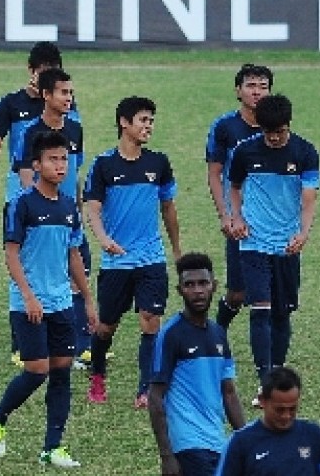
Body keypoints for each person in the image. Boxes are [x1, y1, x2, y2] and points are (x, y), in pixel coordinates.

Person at [0, 131, 97, 468]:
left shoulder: (67, 206)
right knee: (36, 371)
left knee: (62, 373)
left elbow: (74, 254)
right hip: (28, 304)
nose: (60, 165)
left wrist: (88, 301)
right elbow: (12, 254)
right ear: (36, 165)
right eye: (53, 159)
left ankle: (52, 447)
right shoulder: (21, 203)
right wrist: (29, 296)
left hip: (62, 303)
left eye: (64, 159)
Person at [83, 96, 181, 408]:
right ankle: (98, 376)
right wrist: (102, 238)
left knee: (151, 319)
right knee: (105, 326)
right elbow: (92, 209)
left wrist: (177, 250)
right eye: (143, 120)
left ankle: (145, 389)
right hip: (116, 261)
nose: (148, 126)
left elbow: (168, 208)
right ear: (125, 123)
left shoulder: (159, 163)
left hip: (151, 258)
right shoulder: (104, 165)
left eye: (151, 121)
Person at [0, 41, 64, 367]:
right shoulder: (12, 104)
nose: (47, 81)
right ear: (31, 71)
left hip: (57, 197)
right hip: (19, 198)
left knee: (58, 260)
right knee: (20, 261)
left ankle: (59, 334)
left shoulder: (65, 104)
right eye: (42, 73)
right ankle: (20, 340)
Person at [228, 94, 318, 388]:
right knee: (260, 310)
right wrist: (237, 218)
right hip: (253, 243)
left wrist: (303, 233)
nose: (276, 138)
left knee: (281, 313)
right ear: (261, 129)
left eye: (280, 131)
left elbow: (308, 199)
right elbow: (235, 186)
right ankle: (264, 378)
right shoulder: (245, 152)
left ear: (288, 125)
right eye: (269, 133)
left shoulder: (305, 152)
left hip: (287, 245)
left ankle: (276, 370)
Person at [15, 68, 94, 368]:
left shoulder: (75, 128)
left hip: (69, 215)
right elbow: (24, 171)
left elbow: (75, 172)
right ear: (46, 95)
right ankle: (34, 345)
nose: (68, 98)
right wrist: (37, 205)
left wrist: (76, 208)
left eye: (71, 93)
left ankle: (74, 348)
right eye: (63, 92)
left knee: (78, 276)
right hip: (42, 215)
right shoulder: (30, 132)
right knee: (45, 276)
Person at [148, 252, 245, 476]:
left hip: (218, 443)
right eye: (189, 285)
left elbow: (229, 393)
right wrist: (167, 456)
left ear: (214, 285)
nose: (197, 290)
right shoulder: (171, 335)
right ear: (179, 290)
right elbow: (155, 397)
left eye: (203, 283)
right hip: (187, 445)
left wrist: (245, 439)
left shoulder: (219, 334)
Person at [205, 64, 273, 330]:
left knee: (273, 295)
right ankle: (218, 329)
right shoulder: (225, 127)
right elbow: (214, 174)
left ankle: (270, 359)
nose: (257, 92)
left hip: (272, 220)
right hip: (240, 220)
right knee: (238, 292)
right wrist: (227, 216)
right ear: (238, 90)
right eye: (251, 86)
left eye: (263, 86)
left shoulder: (277, 126)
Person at [216, 366, 320, 475]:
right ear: (262, 401)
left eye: (292, 409)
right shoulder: (241, 442)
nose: (286, 416)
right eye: (279, 410)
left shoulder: (313, 436)